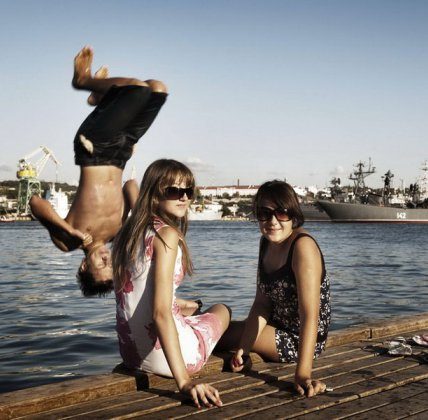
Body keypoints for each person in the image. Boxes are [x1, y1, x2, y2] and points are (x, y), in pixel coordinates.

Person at [30, 46, 167, 296]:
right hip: (122, 152)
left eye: (101, 265)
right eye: (111, 265)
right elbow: (129, 185)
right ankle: (101, 99)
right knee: (158, 89)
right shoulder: (117, 233)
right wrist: (140, 213)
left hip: (94, 149)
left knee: (137, 89)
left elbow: (36, 203)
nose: (107, 259)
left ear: (84, 265)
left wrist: (69, 230)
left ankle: (84, 81)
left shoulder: (67, 243)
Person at [112, 159, 231, 409]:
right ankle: (196, 317)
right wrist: (185, 383)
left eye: (188, 190)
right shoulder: (166, 235)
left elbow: (129, 186)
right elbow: (160, 314)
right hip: (171, 362)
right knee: (222, 309)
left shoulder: (126, 233)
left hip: (132, 355)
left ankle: (189, 309)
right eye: (174, 191)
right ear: (154, 194)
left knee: (185, 309)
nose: (184, 197)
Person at [217, 180, 331, 398]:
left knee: (217, 335)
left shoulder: (303, 247)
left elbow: (310, 315)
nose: (272, 221)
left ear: (293, 214)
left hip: (300, 339)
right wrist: (244, 349)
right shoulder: (266, 243)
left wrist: (303, 374)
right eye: (264, 213)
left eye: (281, 213)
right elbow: (262, 304)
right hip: (276, 326)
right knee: (217, 331)